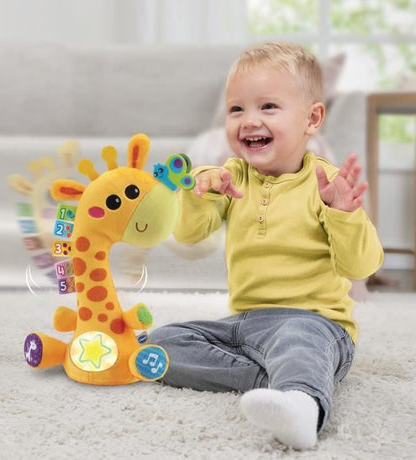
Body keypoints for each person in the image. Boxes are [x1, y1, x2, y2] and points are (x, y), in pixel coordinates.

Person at [149, 42, 383, 450]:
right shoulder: (230, 175)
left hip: (316, 325)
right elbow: (188, 235)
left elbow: (360, 266)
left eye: (268, 107)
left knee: (297, 342)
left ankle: (302, 406)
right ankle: (275, 382)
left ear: (312, 119)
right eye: (236, 109)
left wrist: (343, 214)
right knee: (160, 343)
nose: (249, 121)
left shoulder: (326, 184)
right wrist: (200, 194)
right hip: (245, 325)